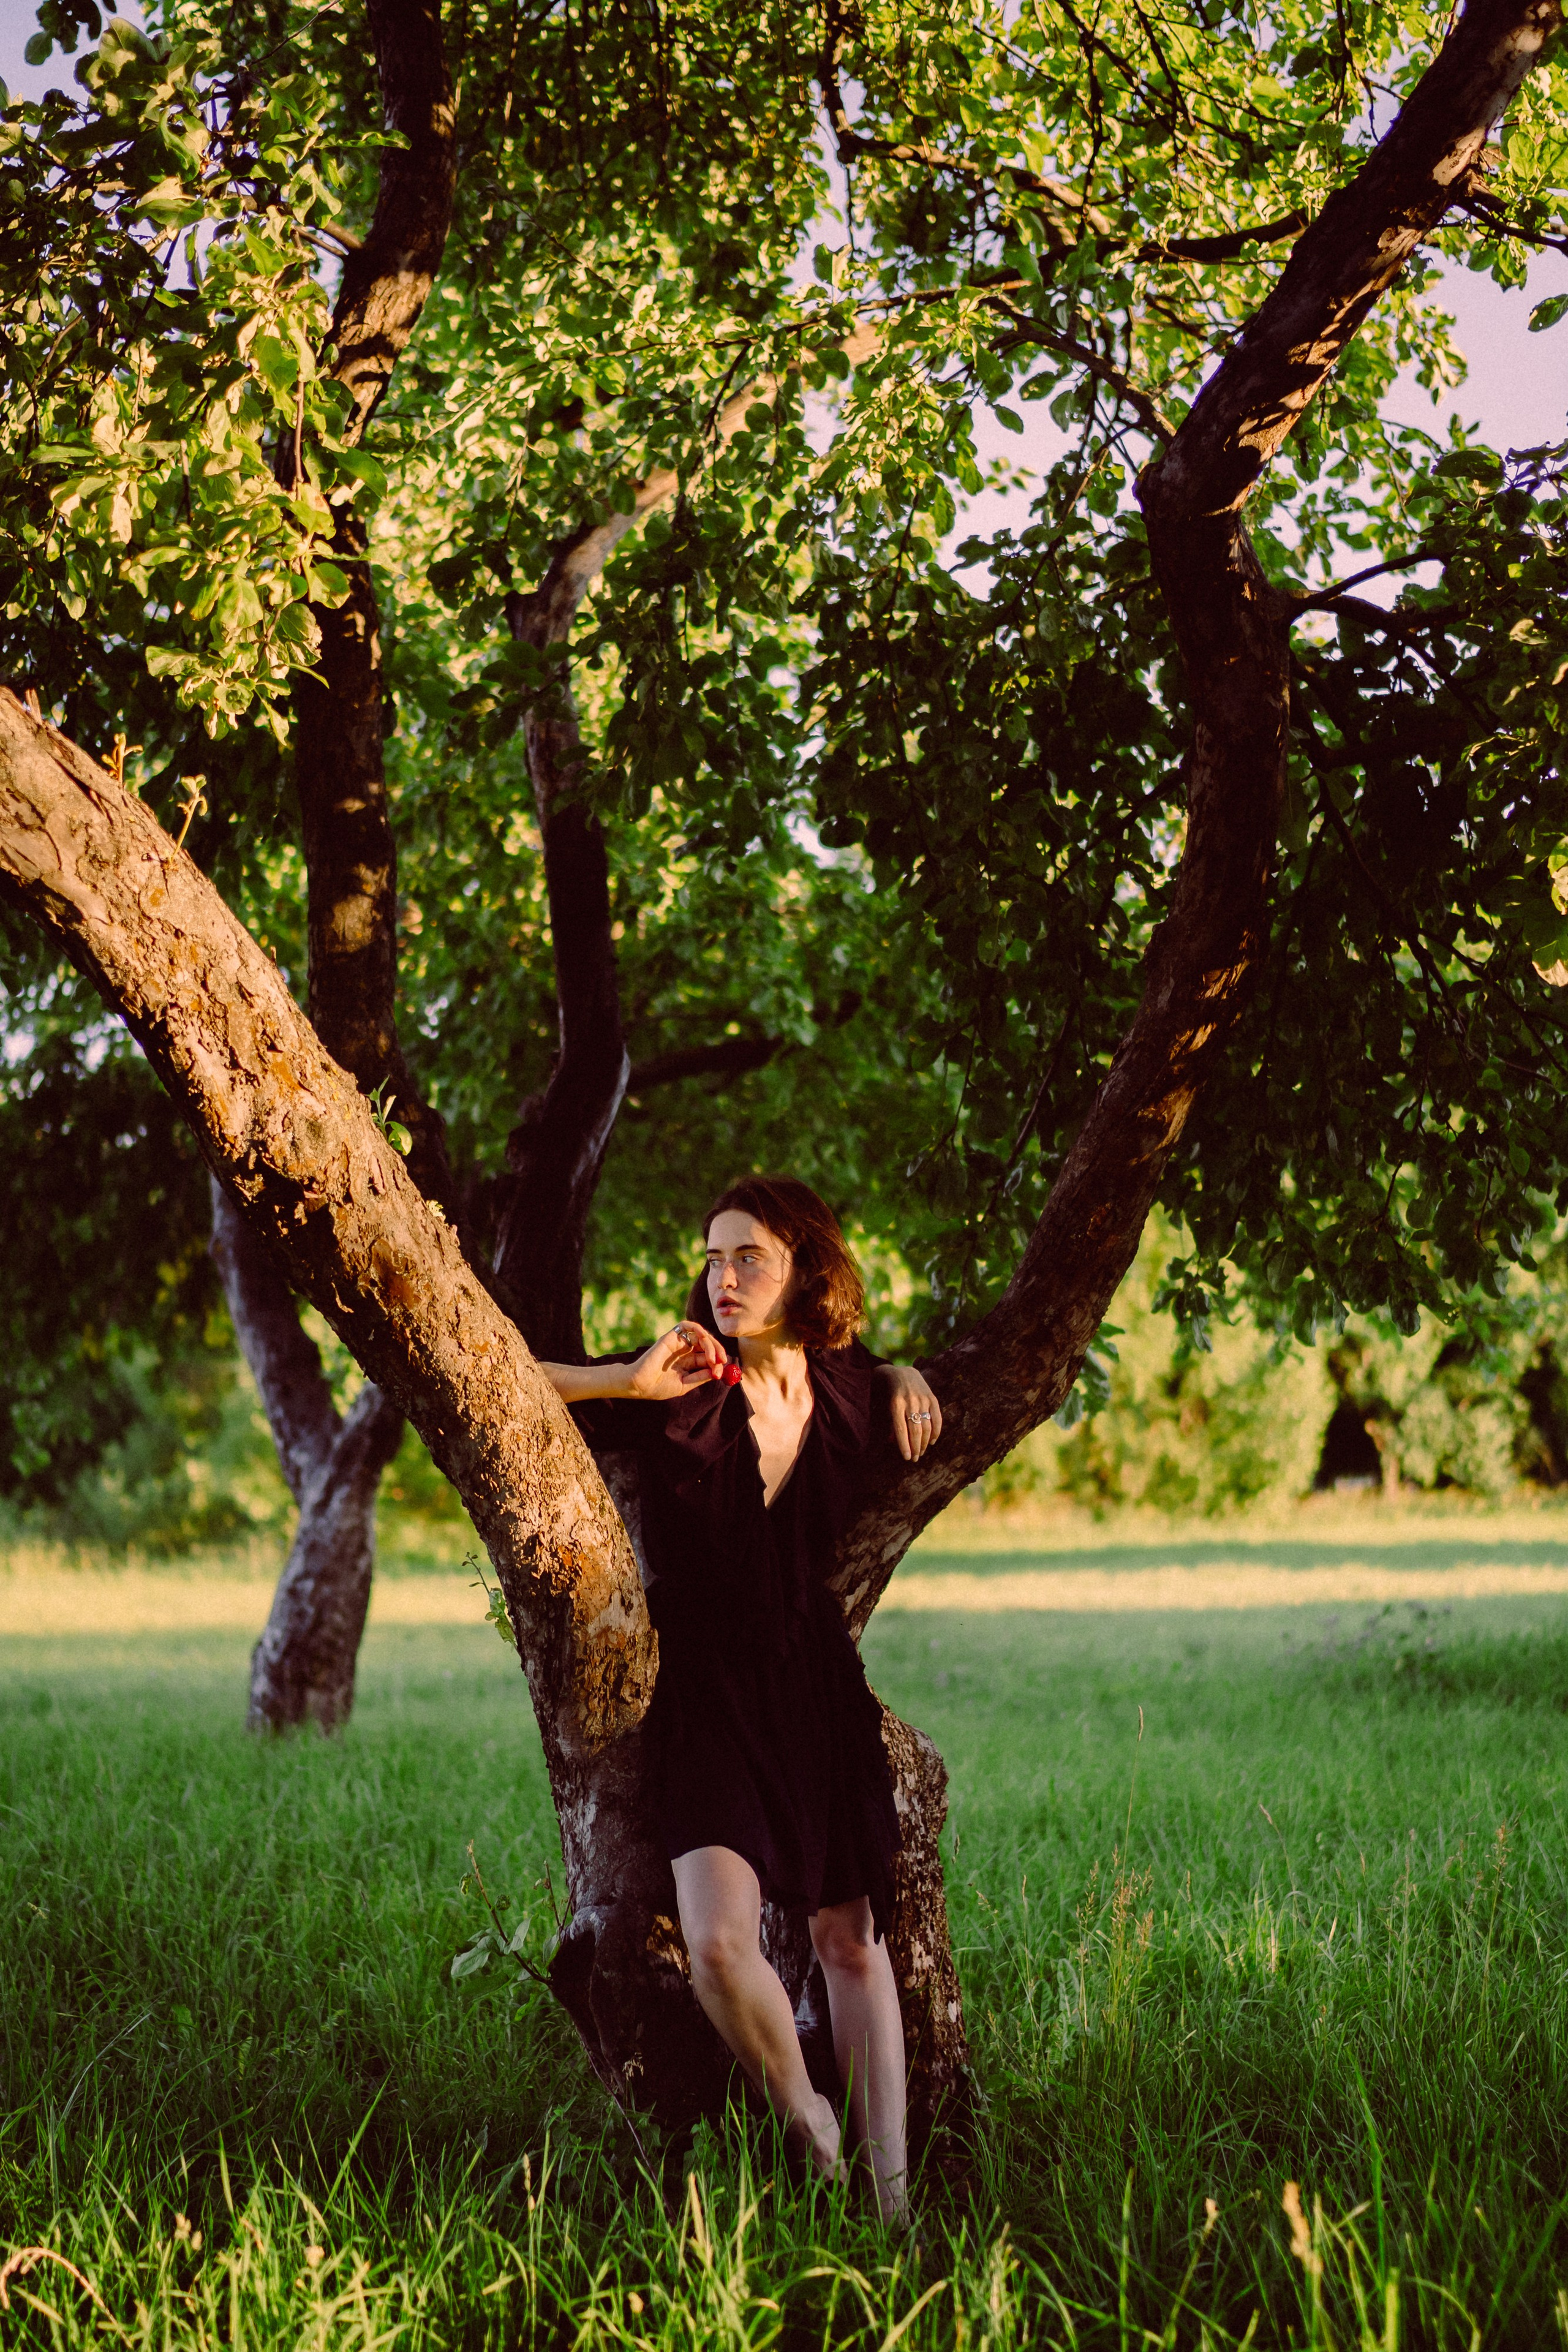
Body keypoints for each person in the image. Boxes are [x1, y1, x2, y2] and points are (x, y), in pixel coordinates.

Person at [539, 1176, 941, 2221]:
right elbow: (502, 1385)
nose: (724, 1278)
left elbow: (886, 1373)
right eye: (714, 1258)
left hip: (813, 1684)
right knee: (719, 1942)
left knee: (853, 1938)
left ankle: (891, 2205)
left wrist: (899, 1369)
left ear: (806, 1267)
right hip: (707, 1688)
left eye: (749, 1257)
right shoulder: (683, 1383)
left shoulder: (851, 1392)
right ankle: (809, 2124)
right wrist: (623, 1382)